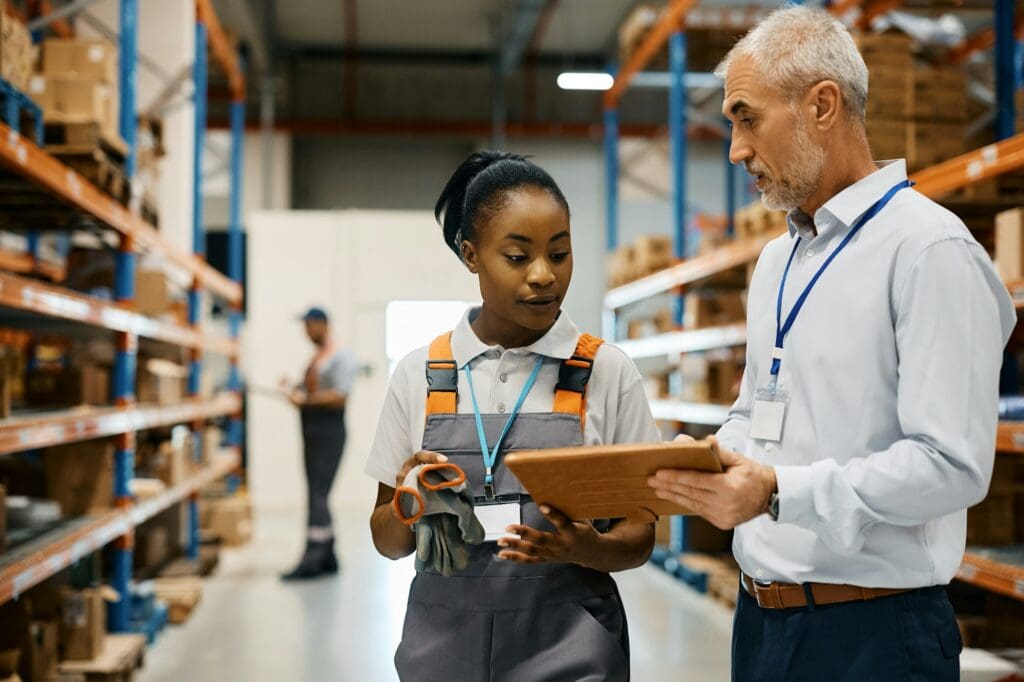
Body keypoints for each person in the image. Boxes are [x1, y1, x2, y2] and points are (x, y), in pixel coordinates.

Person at [648, 7, 1016, 681]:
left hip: (874, 637)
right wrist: (713, 459)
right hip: (762, 628)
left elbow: (953, 465)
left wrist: (778, 492)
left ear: (822, 105)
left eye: (746, 117)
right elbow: (761, 407)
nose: (734, 149)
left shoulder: (928, 250)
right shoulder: (776, 262)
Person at [366, 151, 660, 681]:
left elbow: (639, 536)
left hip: (570, 651)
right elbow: (386, 540)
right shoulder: (419, 376)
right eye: (518, 257)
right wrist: (409, 502)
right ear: (471, 254)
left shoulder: (606, 374)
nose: (544, 276)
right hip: (442, 650)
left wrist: (588, 547)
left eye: (560, 253)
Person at [280, 307, 358, 580]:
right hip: (312, 430)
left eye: (309, 325)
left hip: (328, 431)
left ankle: (314, 556)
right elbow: (310, 390)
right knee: (316, 491)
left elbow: (339, 395)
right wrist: (293, 390)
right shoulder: (317, 357)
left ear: (323, 324)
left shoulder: (341, 356)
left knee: (318, 495)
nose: (306, 332)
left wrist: (306, 400)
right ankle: (328, 555)